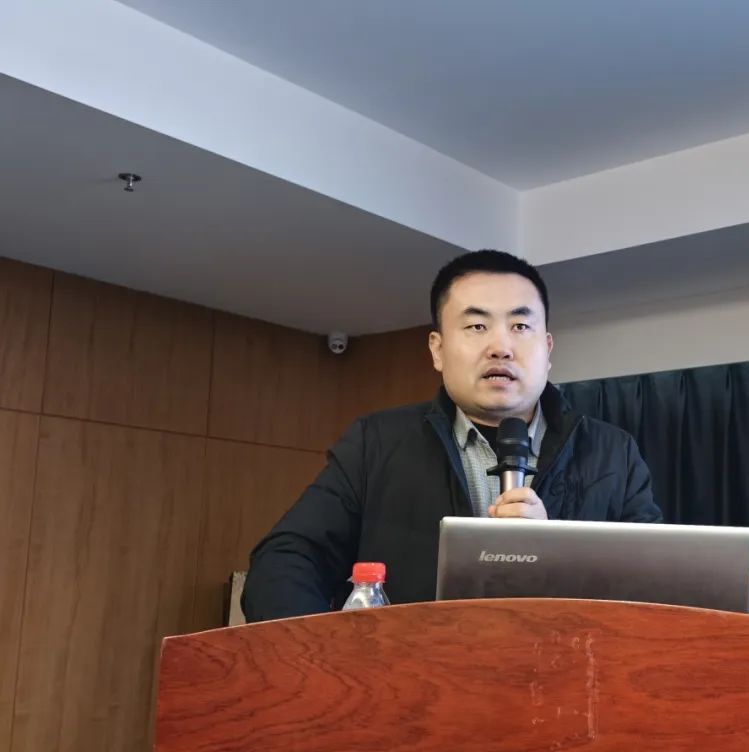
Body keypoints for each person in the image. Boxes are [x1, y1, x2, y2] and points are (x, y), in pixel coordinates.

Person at [241, 249, 662, 621]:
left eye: (520, 326)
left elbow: (654, 588)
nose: (501, 347)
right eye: (477, 326)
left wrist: (556, 557)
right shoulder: (377, 443)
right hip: (414, 678)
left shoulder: (613, 453)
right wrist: (324, 663)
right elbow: (285, 561)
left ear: (547, 349)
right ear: (438, 349)